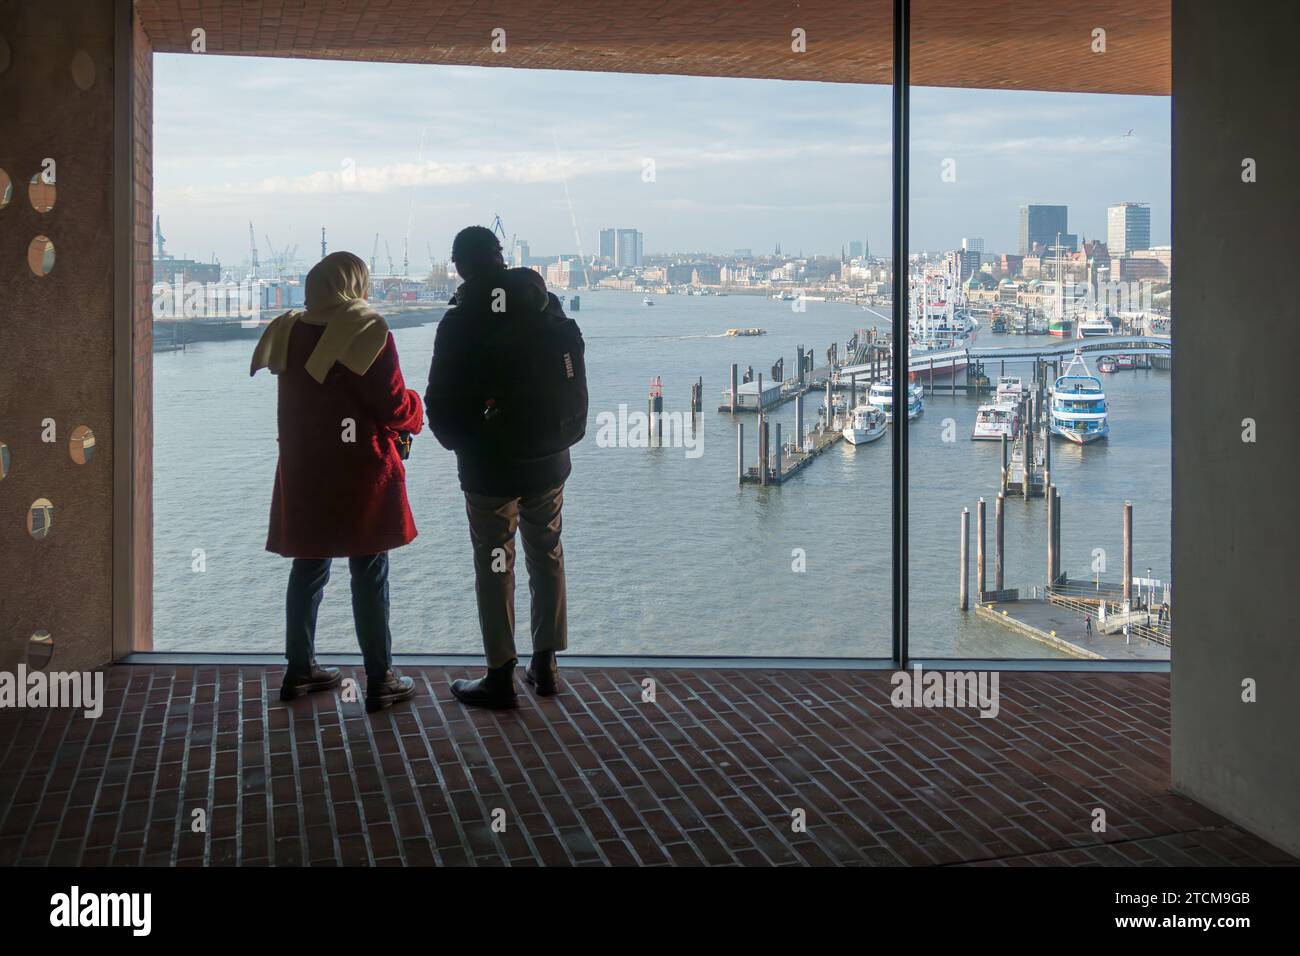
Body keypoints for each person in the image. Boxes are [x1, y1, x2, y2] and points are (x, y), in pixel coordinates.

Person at [251, 251, 423, 713]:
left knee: (308, 568)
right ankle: (380, 677)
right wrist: (417, 409)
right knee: (369, 571)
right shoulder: (367, 330)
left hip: (304, 468)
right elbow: (392, 406)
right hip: (359, 470)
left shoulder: (287, 329)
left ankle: (300, 668)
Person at [425, 226, 572, 708]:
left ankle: (500, 675)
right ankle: (546, 665)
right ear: (501, 256)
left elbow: (440, 401)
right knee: (546, 553)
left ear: (461, 265)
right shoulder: (542, 304)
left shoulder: (462, 319)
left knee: (495, 562)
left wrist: (463, 444)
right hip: (548, 457)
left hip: (489, 466)